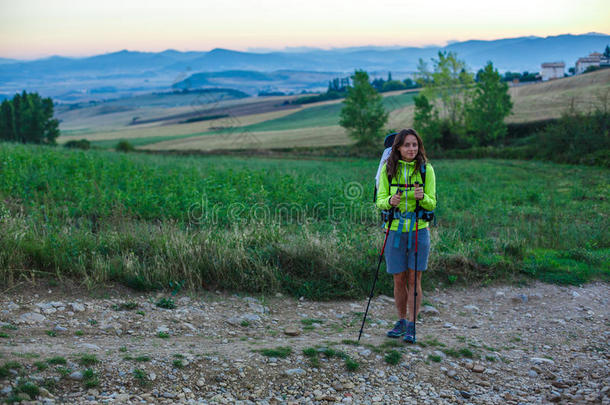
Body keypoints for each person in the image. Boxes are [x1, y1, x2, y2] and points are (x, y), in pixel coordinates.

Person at [375, 128, 436, 343]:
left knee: (414, 277)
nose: (412, 149)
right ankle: (401, 321)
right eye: (407, 145)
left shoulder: (426, 170)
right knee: (399, 278)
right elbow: (380, 199)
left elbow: (432, 202)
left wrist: (423, 198)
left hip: (419, 229)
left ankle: (412, 324)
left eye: (415, 145)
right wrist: (390, 201)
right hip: (395, 229)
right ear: (398, 148)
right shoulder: (388, 169)